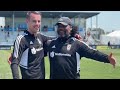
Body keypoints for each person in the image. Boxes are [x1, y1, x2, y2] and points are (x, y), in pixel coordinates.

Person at [46, 17, 116, 79]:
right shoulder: (50, 44)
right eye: (59, 26)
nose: (61, 28)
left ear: (70, 28)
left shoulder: (77, 44)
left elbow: (93, 53)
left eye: (64, 26)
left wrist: (107, 58)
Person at [10, 11, 53, 79]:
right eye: (34, 21)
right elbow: (14, 63)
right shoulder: (21, 40)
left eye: (39, 21)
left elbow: (56, 40)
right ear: (27, 21)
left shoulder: (41, 37)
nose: (37, 24)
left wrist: (73, 36)